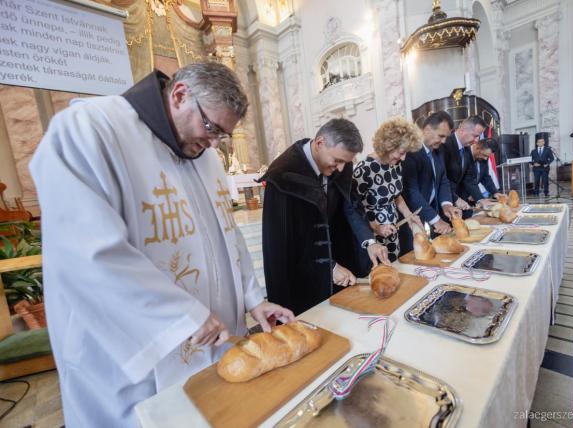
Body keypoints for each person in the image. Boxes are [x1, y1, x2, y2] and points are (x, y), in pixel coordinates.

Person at [28, 62, 295, 427]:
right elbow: (89, 254)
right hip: (135, 356)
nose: (214, 143)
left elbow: (227, 238)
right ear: (180, 95)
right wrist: (181, 316)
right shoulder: (91, 130)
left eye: (222, 135)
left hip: (209, 345)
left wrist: (254, 300)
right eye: (211, 128)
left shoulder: (206, 157)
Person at [260, 118, 390, 315]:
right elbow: (287, 242)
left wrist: (368, 241)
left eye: (345, 163)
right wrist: (330, 267)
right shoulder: (283, 175)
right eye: (337, 161)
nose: (340, 169)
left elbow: (350, 204)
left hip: (335, 257)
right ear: (320, 143)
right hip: (301, 272)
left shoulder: (340, 164)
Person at [353, 117, 425, 263]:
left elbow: (396, 195)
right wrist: (376, 228)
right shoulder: (363, 170)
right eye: (401, 152)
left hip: (392, 231)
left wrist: (408, 215)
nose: (404, 158)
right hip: (372, 237)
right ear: (388, 146)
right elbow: (355, 210)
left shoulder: (395, 164)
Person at [400, 111, 462, 253]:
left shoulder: (438, 150)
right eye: (441, 136)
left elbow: (443, 181)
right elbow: (411, 191)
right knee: (413, 257)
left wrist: (447, 205)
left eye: (446, 137)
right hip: (411, 218)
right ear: (427, 129)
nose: (444, 141)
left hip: (431, 214)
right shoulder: (411, 152)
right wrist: (436, 219)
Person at [440, 116, 489, 217]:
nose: (476, 141)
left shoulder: (466, 148)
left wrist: (480, 199)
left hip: (460, 204)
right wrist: (455, 199)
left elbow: (469, 178)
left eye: (478, 136)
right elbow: (441, 180)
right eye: (475, 136)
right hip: (444, 204)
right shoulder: (445, 144)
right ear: (463, 130)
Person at [530, 133, 554, 197]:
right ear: (537, 143)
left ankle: (546, 192)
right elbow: (530, 160)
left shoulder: (548, 150)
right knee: (536, 180)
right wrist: (533, 164)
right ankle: (536, 192)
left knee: (545, 180)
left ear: (544, 142)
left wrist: (547, 164)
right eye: (539, 142)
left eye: (542, 141)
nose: (540, 143)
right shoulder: (533, 151)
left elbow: (552, 158)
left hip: (544, 168)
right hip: (536, 168)